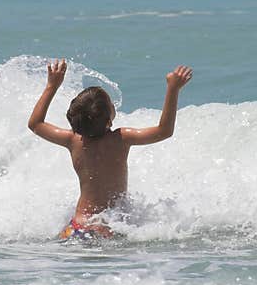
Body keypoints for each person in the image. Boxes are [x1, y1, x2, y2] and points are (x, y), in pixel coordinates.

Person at [28, 59, 193, 239]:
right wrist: (173, 89)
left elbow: (35, 124)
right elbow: (164, 131)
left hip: (77, 224)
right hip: (106, 226)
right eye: (111, 105)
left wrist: (52, 86)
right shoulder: (121, 138)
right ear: (109, 121)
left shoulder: (72, 140)